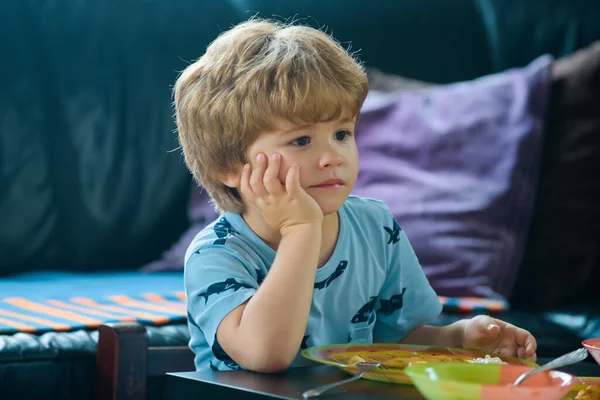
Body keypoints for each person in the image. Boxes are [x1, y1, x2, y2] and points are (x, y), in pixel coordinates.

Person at [173, 18, 537, 373]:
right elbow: (267, 354)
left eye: (342, 134)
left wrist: (457, 339)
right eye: (301, 140)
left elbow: (394, 339)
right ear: (229, 167)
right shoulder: (216, 255)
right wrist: (301, 229)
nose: (333, 157)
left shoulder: (375, 226)